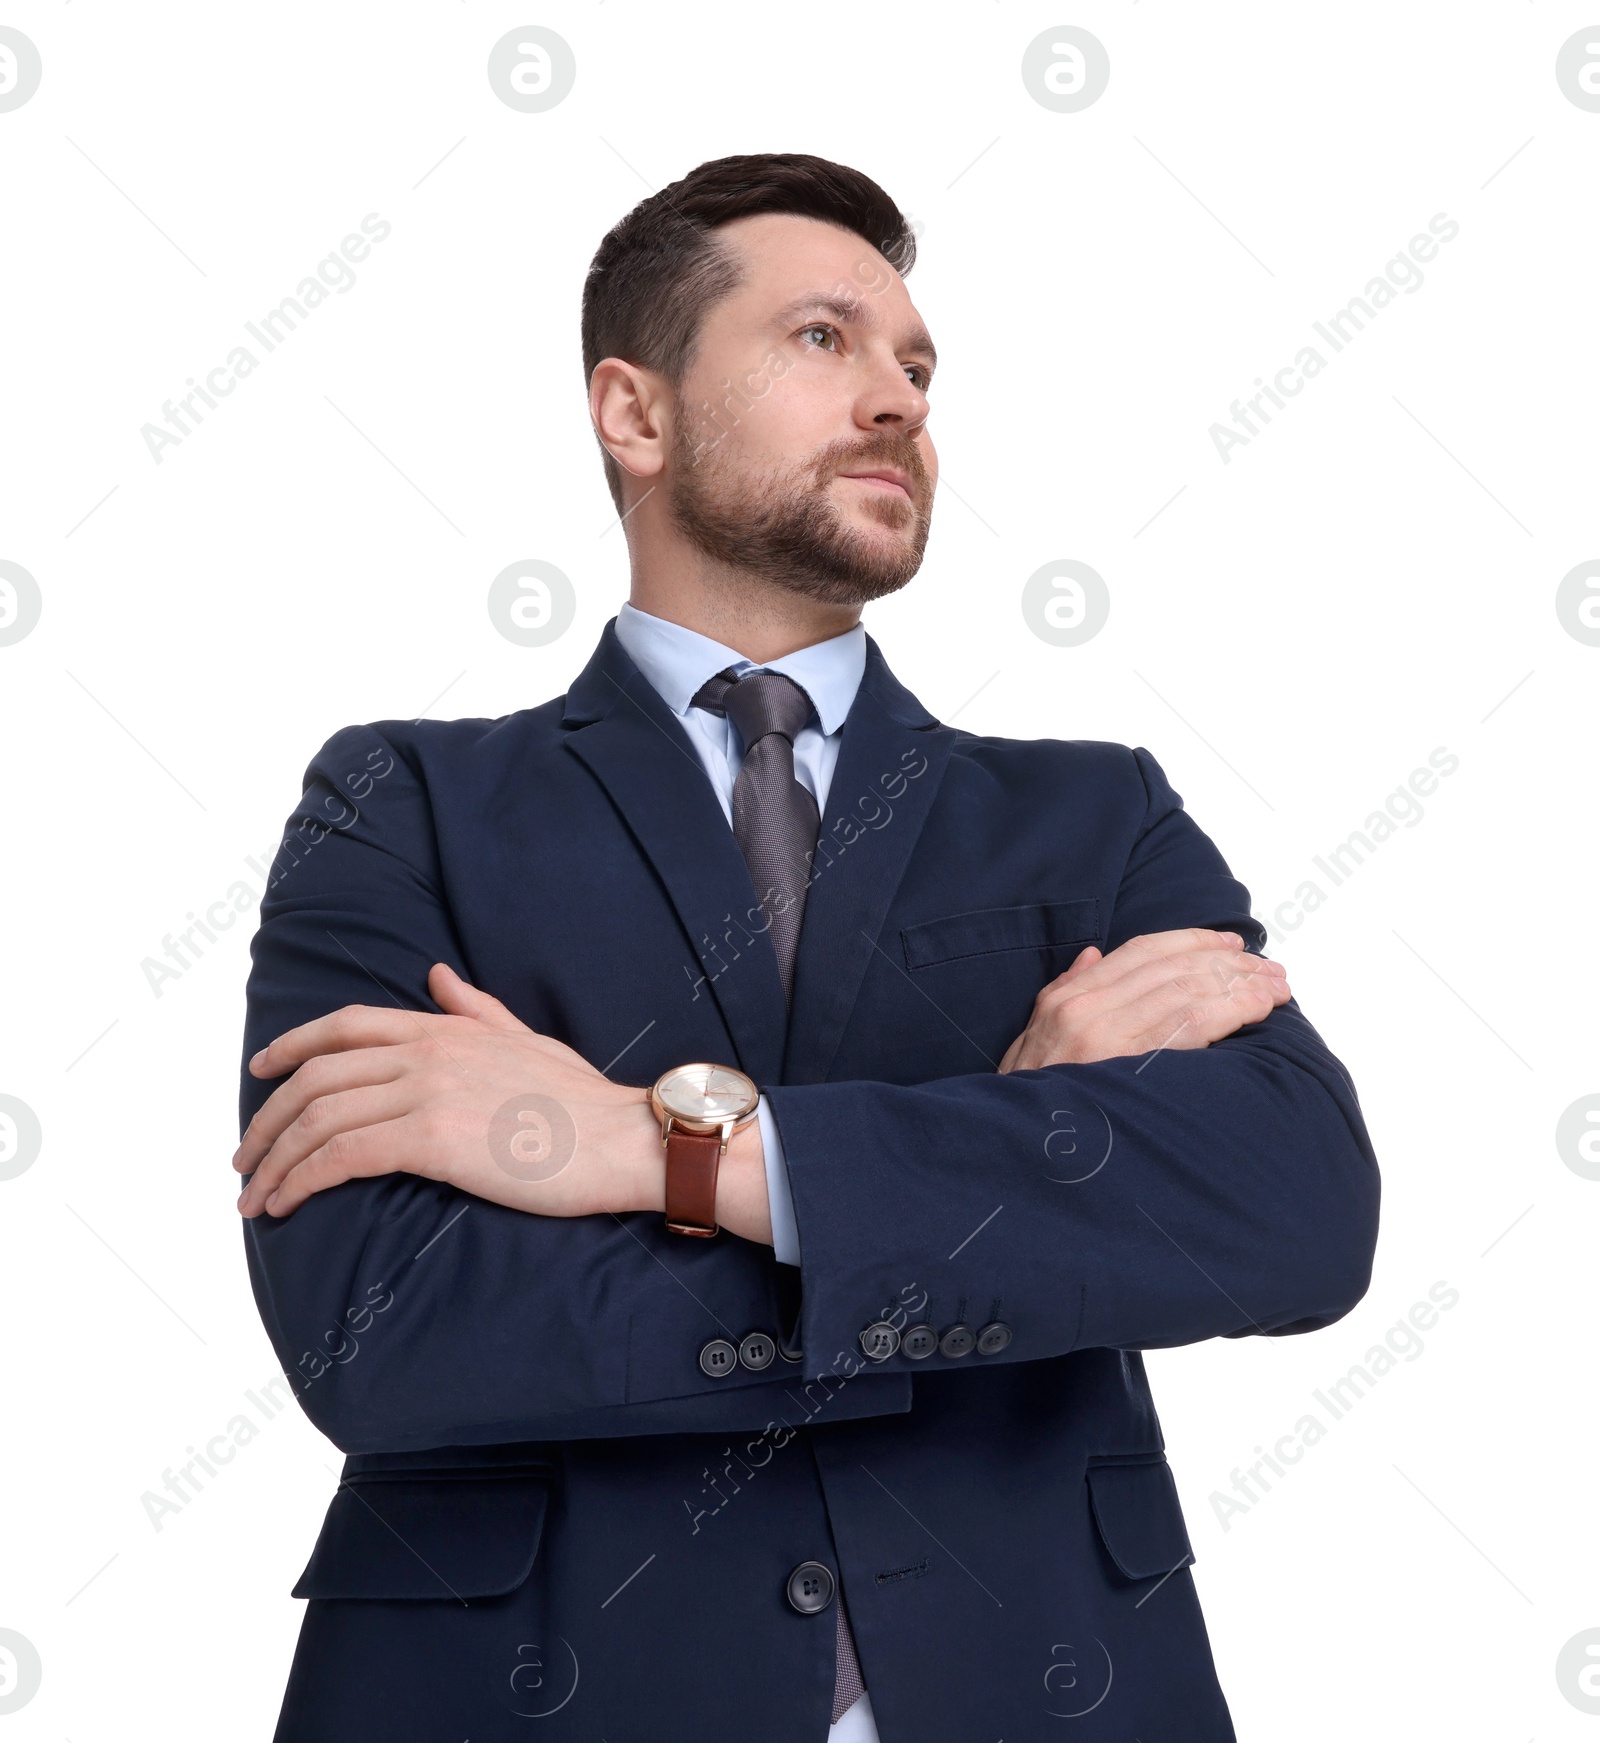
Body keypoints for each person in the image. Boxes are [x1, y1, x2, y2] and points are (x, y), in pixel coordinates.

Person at [234, 153, 1379, 1742]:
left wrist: (657, 1152)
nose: (901, 400)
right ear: (634, 414)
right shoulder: (404, 800)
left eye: (918, 364)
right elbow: (384, 1330)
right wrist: (1002, 1168)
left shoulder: (1093, 816)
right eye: (826, 340)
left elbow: (1293, 1214)